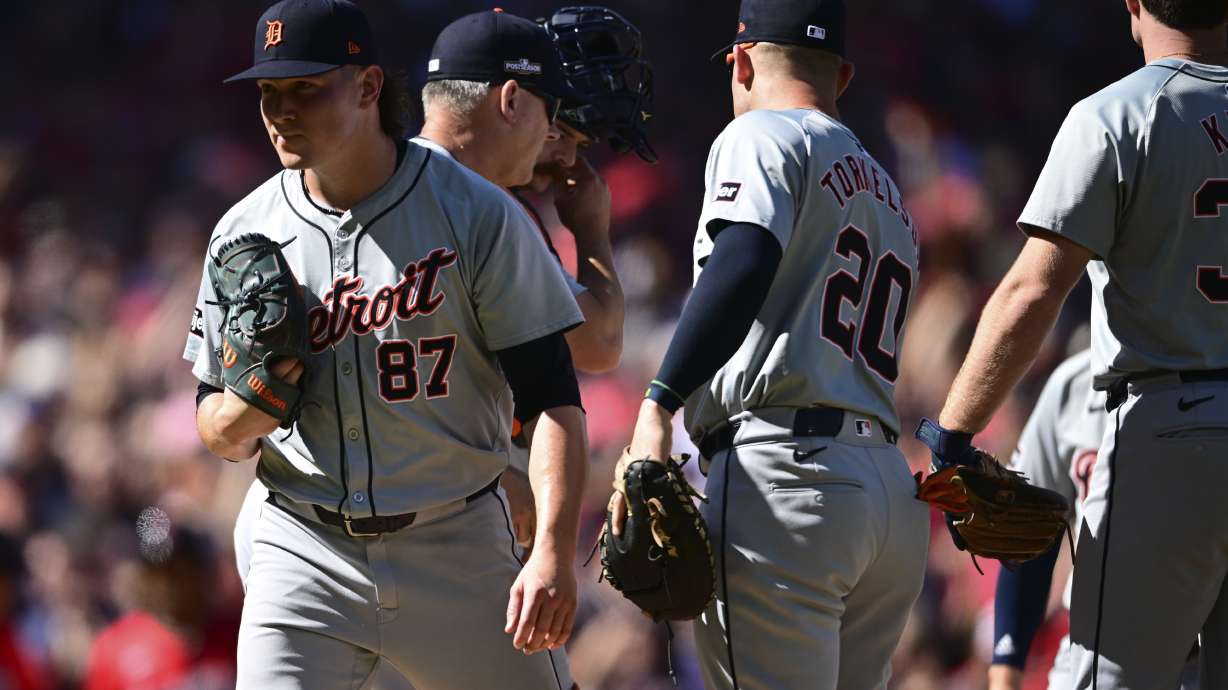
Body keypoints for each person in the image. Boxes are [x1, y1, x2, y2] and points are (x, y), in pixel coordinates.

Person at [184, 1, 586, 688]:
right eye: (269, 94)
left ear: (370, 88)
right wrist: (243, 412)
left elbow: (555, 399)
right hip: (303, 546)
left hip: (454, 542)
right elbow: (215, 426)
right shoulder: (243, 230)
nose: (281, 110)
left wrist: (551, 547)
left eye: (306, 87)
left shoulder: (475, 214)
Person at [611, 0, 927, 687]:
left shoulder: (762, 134)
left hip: (790, 483)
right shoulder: (888, 191)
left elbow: (745, 257)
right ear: (841, 76)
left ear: (743, 61)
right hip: (885, 496)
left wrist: (660, 401)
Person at [920, 1, 1228, 687]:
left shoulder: (1118, 114)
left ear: (1134, 5)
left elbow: (1031, 292)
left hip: (1168, 427)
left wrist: (952, 435)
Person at [415, 6, 653, 549]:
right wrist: (592, 230)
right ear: (514, 102)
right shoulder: (477, 205)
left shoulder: (485, 205)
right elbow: (600, 342)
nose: (569, 156)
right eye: (561, 126)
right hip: (433, 517)